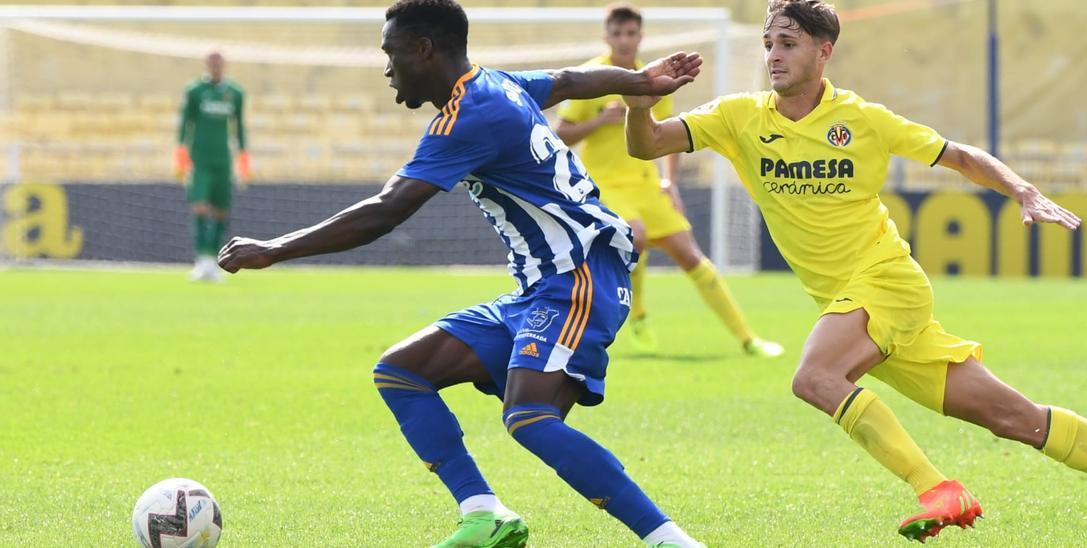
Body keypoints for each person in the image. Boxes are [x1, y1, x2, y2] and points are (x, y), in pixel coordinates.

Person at [622, 0, 1087, 543]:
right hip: (856, 310)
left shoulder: (862, 118)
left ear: (823, 51)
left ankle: (936, 488)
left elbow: (962, 156)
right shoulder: (738, 116)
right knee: (1017, 419)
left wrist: (1024, 191)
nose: (773, 56)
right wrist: (636, 99)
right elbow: (646, 145)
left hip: (886, 283)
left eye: (787, 44)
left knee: (814, 377)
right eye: (768, 44)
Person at [217, 0, 704, 546]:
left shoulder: (467, 116)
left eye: (391, 53)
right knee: (402, 372)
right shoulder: (496, 84)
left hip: (580, 275)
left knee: (531, 417)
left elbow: (386, 211)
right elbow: (569, 80)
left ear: (423, 49)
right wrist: (638, 78)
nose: (387, 68)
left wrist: (273, 249)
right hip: (542, 288)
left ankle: (669, 539)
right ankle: (484, 513)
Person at [556, 3, 784, 357]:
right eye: (617, 34)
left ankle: (747, 339)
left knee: (691, 256)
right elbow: (561, 133)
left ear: (639, 36)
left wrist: (670, 182)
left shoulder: (649, 78)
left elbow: (666, 135)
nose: (624, 40)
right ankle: (639, 313)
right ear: (607, 36)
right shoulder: (591, 77)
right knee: (636, 234)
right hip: (606, 184)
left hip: (647, 184)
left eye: (631, 33)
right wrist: (600, 121)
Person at [177, 50, 249, 282]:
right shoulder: (195, 91)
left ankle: (215, 262)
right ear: (207, 64)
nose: (216, 66)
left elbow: (239, 126)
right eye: (212, 62)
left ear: (225, 65)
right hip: (200, 160)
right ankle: (202, 261)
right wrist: (181, 153)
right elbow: (185, 123)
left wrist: (243, 157)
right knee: (199, 207)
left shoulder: (235, 93)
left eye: (219, 62)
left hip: (223, 161)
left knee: (221, 211)